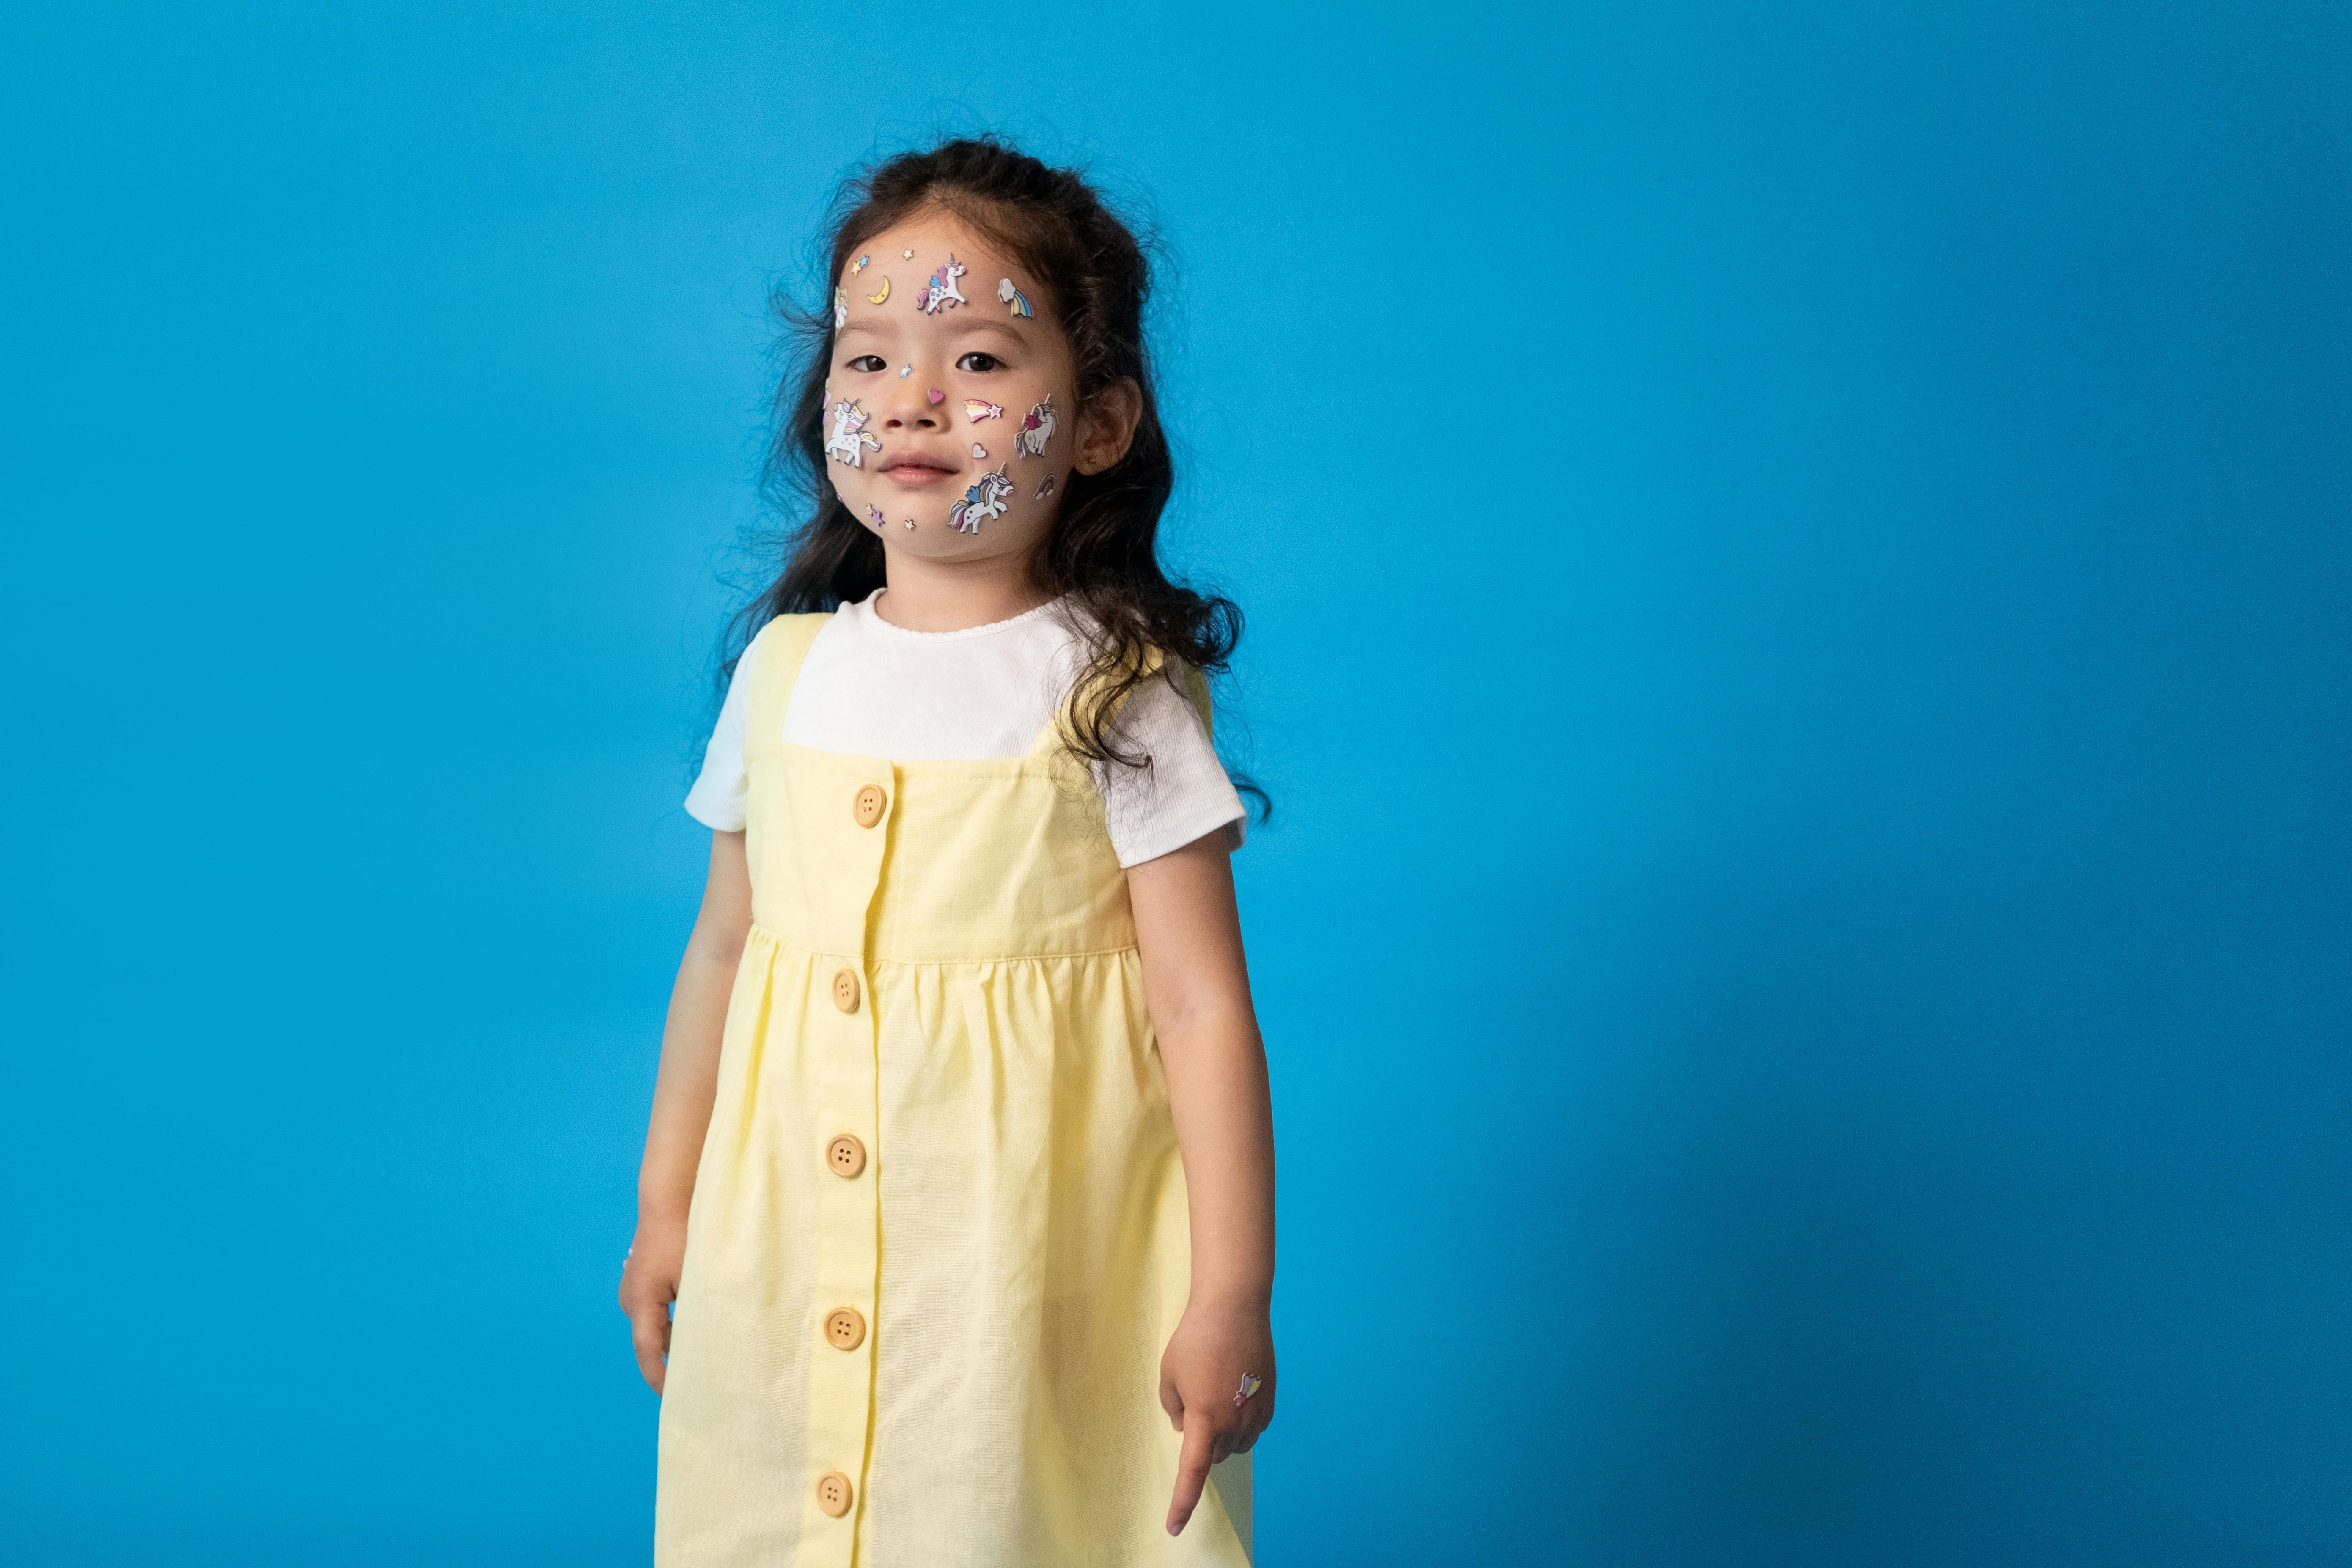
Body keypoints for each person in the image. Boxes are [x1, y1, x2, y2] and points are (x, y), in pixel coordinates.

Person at [620, 137, 1276, 1566]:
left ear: (1097, 423)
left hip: (1027, 1264)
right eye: (868, 361)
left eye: (980, 359)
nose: (914, 397)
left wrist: (1232, 1286)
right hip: (784, 1246)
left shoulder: (1119, 686)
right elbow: (725, 945)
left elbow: (1199, 1003)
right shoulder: (783, 677)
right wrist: (665, 1207)